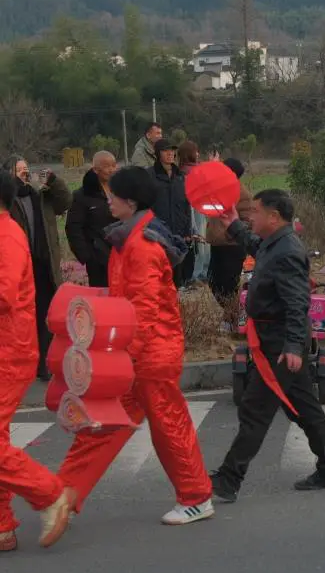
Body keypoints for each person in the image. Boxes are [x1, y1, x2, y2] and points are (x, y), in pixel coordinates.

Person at [57, 166, 214, 525]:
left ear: (130, 202)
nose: (108, 200)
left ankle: (196, 497)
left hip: (149, 354)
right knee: (104, 424)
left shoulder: (141, 246)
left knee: (167, 427)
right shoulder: (130, 237)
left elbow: (142, 310)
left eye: (112, 195)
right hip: (137, 353)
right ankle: (62, 494)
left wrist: (123, 358)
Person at [209, 190, 325, 501]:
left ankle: (229, 479)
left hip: (280, 342)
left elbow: (298, 302)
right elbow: (256, 246)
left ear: (273, 217)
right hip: (276, 338)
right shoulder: (274, 243)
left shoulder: (287, 252)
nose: (250, 216)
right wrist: (233, 225)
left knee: (255, 409)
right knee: (304, 409)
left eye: (255, 211)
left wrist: (294, 346)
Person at [0, 172, 74, 552]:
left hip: (7, 353)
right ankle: (2, 527)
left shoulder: (7, 236)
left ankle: (50, 494)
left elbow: (4, 296)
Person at [3, 156, 70, 380]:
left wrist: (54, 182)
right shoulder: (8, 201)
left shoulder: (40, 195)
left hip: (44, 265)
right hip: (20, 268)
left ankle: (45, 365)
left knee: (45, 315)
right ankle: (24, 365)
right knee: (23, 319)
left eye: (26, 168)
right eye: (19, 170)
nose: (24, 173)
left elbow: (65, 202)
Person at [65, 150, 117, 287]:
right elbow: (73, 227)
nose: (111, 170)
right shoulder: (82, 195)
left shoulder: (120, 190)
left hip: (119, 253)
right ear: (95, 169)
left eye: (113, 165)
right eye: (107, 166)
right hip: (97, 258)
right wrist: (87, 257)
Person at [204, 158, 251, 301]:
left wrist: (230, 234)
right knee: (213, 282)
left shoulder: (242, 194)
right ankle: (229, 310)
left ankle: (232, 312)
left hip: (232, 247)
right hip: (217, 244)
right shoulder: (219, 189)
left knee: (228, 286)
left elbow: (247, 222)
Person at [151, 140, 193, 287]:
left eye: (172, 150)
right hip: (158, 233)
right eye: (165, 150)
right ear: (158, 153)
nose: (170, 153)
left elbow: (186, 205)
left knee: (176, 277)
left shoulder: (180, 176)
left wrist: (188, 231)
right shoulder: (150, 176)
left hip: (178, 234)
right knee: (160, 275)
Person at [178, 141, 210, 284]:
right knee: (199, 241)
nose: (198, 154)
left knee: (201, 241)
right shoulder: (190, 172)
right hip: (195, 208)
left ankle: (201, 272)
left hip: (199, 208)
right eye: (195, 151)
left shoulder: (187, 170)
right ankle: (198, 274)